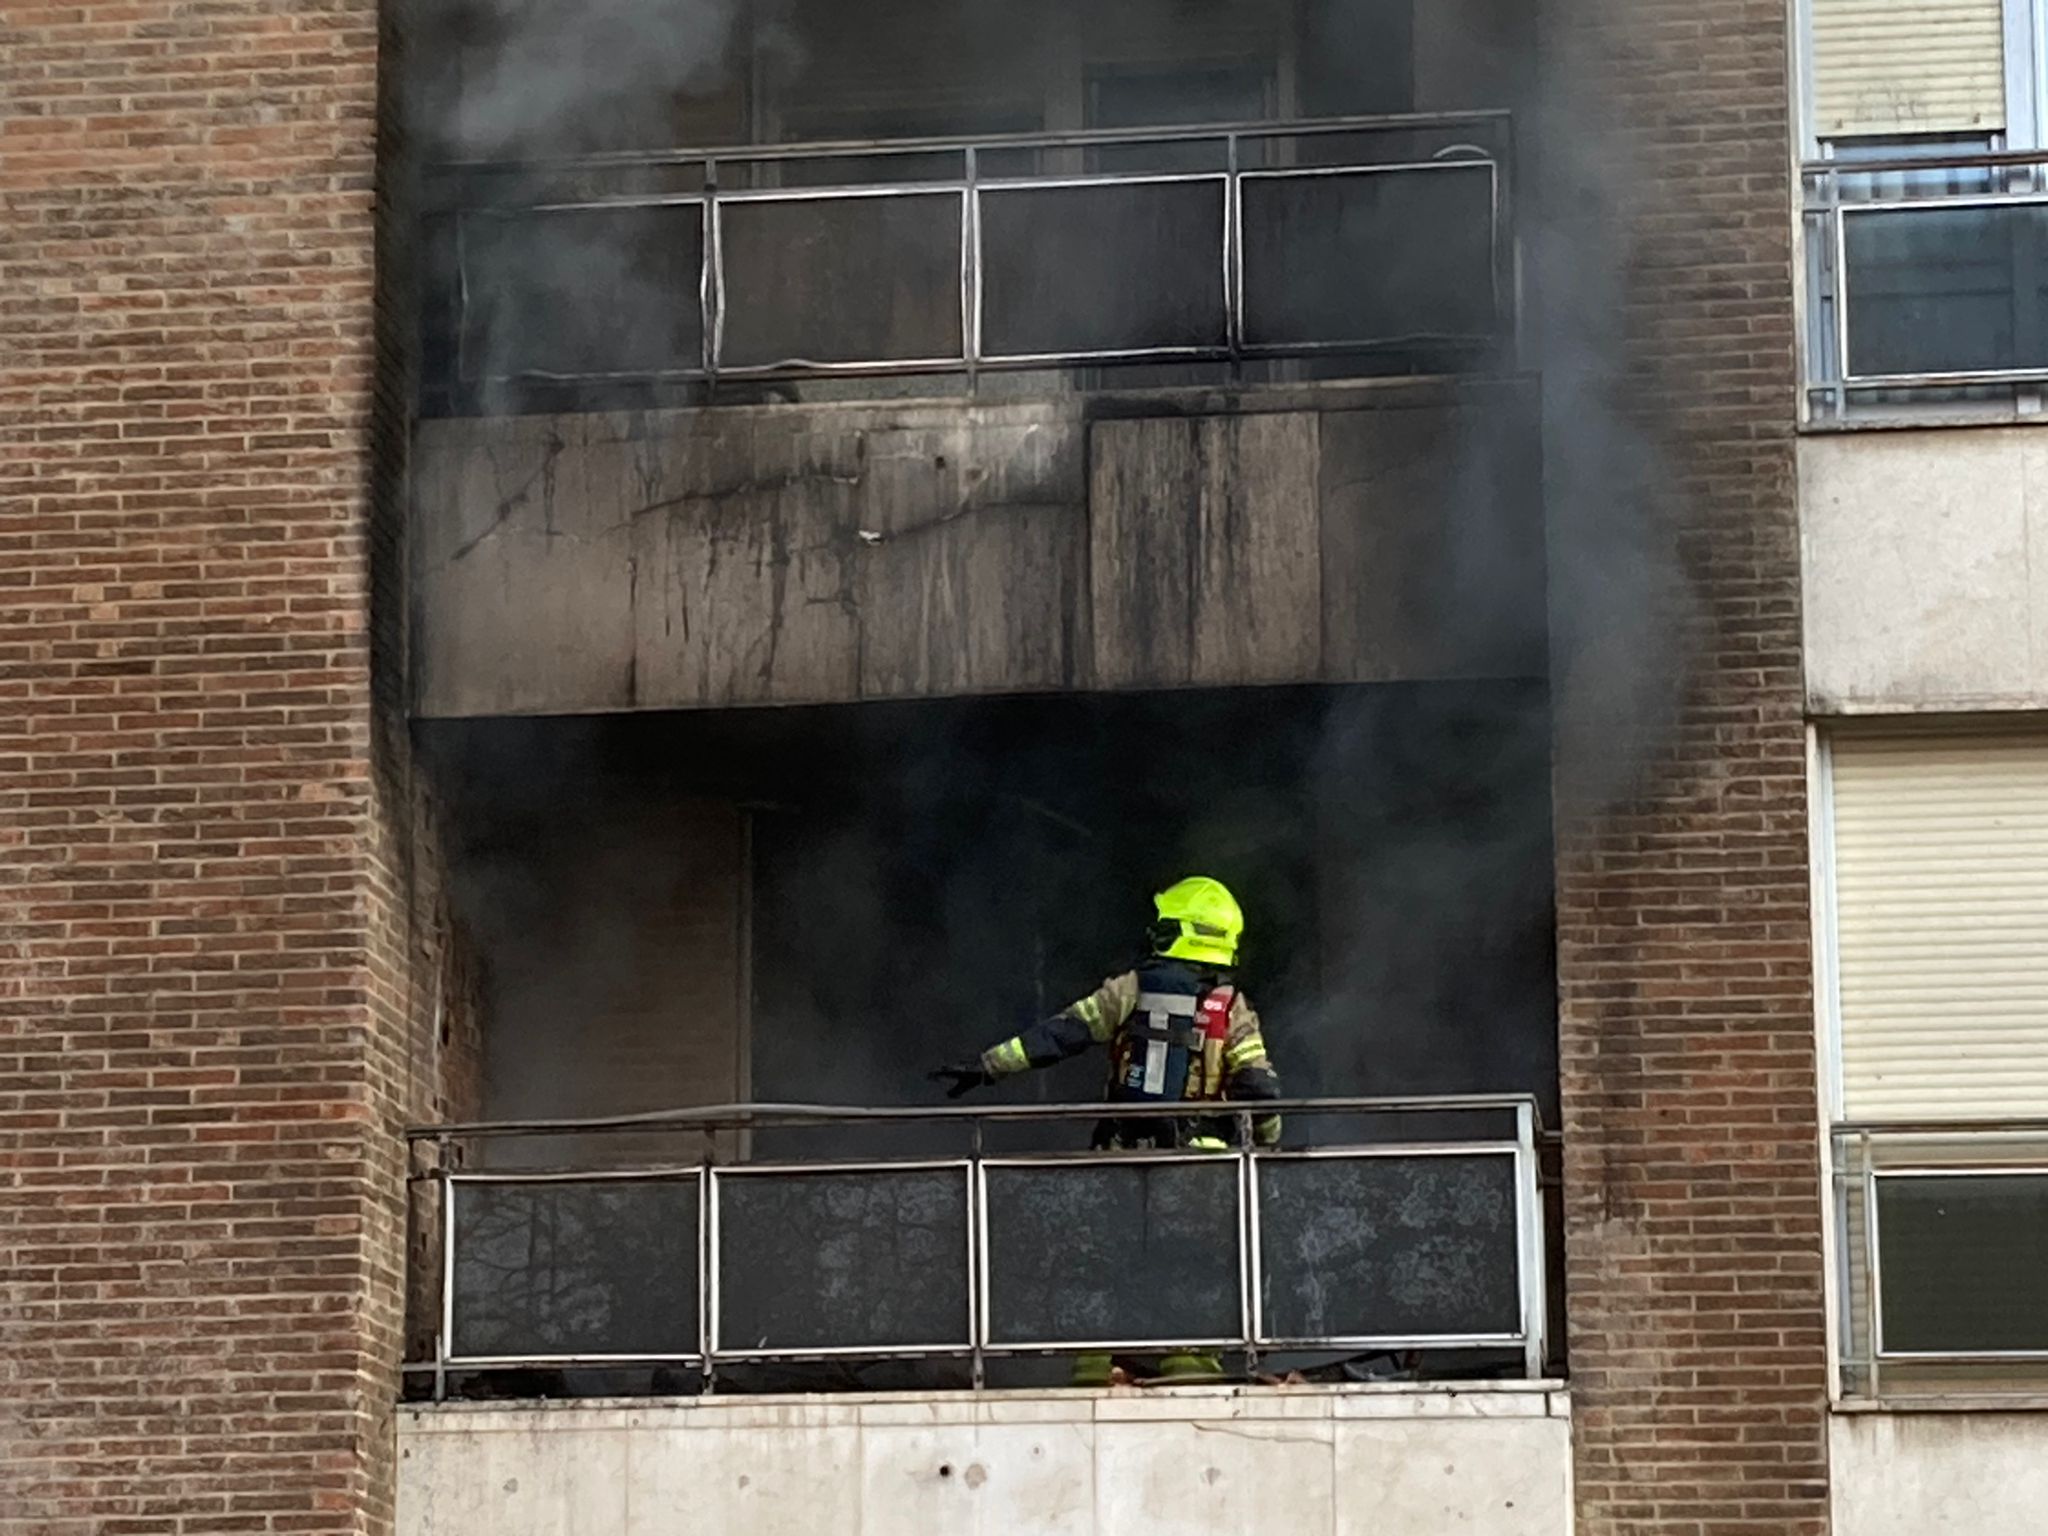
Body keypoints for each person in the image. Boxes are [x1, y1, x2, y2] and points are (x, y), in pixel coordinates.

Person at [929, 876, 1283, 1384]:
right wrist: (1266, 1154)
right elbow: (1261, 1090)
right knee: (1191, 1261)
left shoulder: (1130, 990)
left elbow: (1059, 1034)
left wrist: (986, 1067)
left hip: (1120, 1153)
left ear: (1179, 931)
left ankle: (1096, 1360)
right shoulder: (1233, 1010)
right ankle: (1188, 1360)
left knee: (1108, 1257)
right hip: (1201, 1163)